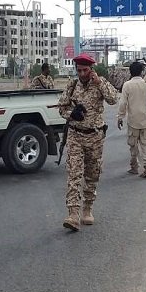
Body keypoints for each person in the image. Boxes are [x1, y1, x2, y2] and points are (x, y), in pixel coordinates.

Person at [58, 53, 119, 231]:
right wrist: (72, 114)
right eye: (79, 70)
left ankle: (87, 208)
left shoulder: (100, 83)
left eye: (85, 70)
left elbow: (114, 99)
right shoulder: (72, 85)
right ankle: (73, 214)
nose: (82, 74)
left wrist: (100, 83)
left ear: (91, 69)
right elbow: (62, 107)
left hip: (95, 137)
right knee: (74, 174)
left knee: (92, 174)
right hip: (76, 135)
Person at [117, 61, 146, 178]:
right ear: (142, 72)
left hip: (133, 121)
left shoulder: (127, 85)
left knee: (133, 144)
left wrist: (120, 117)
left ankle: (134, 166)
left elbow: (123, 103)